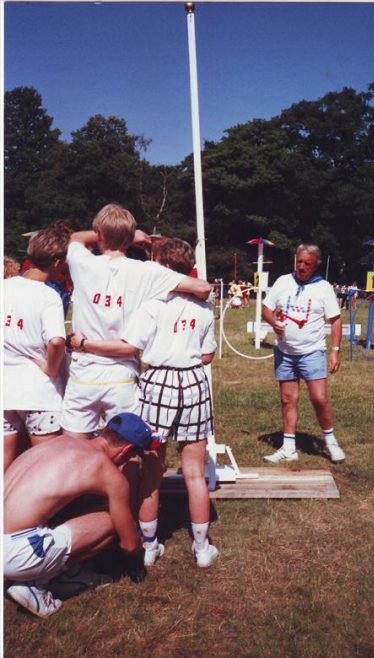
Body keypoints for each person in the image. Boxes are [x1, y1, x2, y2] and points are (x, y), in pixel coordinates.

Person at [69, 238, 219, 568]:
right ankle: (202, 547)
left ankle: (149, 545)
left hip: (159, 382)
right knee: (194, 472)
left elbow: (130, 345)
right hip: (194, 381)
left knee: (152, 472)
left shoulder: (152, 305)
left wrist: (82, 343)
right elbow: (207, 353)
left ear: (162, 267)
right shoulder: (204, 309)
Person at [61, 203, 211, 439]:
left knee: (72, 450)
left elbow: (75, 237)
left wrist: (123, 236)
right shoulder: (147, 271)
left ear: (99, 234)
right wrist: (128, 237)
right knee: (124, 449)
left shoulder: (82, 262)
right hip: (122, 373)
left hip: (84, 371)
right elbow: (202, 288)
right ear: (129, 236)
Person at [4, 412, 152, 618]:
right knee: (112, 521)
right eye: (133, 455)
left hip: (10, 537)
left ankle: (63, 573)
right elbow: (129, 544)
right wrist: (136, 547)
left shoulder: (64, 441)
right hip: (14, 553)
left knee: (78, 505)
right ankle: (36, 584)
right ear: (126, 450)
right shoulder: (108, 473)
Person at [261, 243, 346, 464]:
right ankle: (288, 448)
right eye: (298, 261)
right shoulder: (282, 282)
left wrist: (335, 351)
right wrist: (274, 322)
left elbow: (335, 320)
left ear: (316, 265)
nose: (301, 267)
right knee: (288, 398)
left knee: (319, 397)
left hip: (312, 352)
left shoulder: (324, 287)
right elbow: (266, 309)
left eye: (307, 264)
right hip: (285, 352)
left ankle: (330, 441)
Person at [3, 225, 69, 471]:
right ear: (57, 262)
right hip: (39, 392)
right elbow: (56, 341)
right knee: (44, 468)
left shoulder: (5, 287)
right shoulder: (47, 296)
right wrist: (51, 369)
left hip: (5, 388)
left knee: (6, 466)